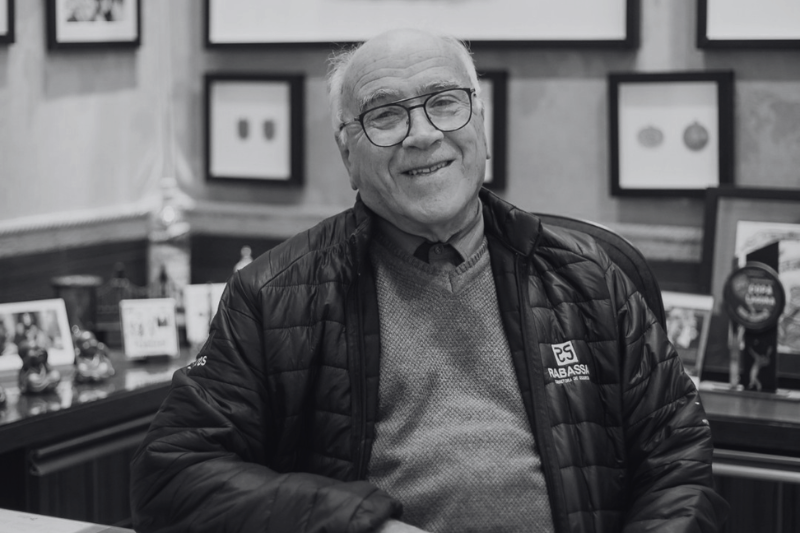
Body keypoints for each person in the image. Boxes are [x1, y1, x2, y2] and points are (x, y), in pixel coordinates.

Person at [130, 28, 728, 533]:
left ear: (480, 124)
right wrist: (360, 524)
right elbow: (173, 476)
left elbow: (679, 465)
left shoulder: (589, 277)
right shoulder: (274, 297)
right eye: (385, 115)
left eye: (444, 102)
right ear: (347, 153)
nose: (422, 133)